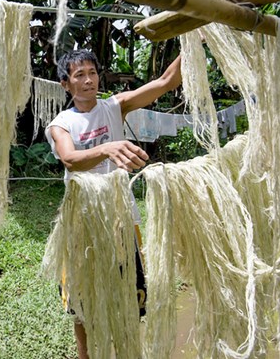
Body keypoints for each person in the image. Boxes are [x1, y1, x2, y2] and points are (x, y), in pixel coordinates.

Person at [45, 49, 182, 359]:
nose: (88, 80)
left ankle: (127, 351)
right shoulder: (61, 124)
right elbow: (70, 159)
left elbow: (166, 81)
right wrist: (107, 148)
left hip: (121, 219)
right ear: (66, 84)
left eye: (92, 73)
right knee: (81, 300)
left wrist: (194, 39)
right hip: (81, 224)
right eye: (79, 75)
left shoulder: (114, 107)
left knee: (130, 293)